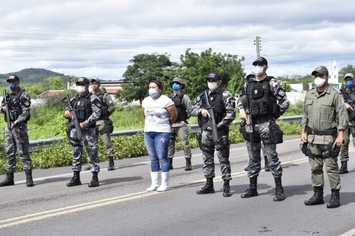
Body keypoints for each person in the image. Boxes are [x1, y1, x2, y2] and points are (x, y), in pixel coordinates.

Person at [238, 57, 289, 201]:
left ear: (266, 67)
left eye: (260, 64)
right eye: (255, 64)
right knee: (253, 158)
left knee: (272, 157)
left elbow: (285, 102)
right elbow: (239, 99)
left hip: (267, 123)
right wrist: (241, 110)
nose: (257, 67)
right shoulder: (247, 83)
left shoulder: (272, 83)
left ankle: (279, 189)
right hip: (250, 123)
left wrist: (274, 115)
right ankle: (252, 188)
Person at [301, 66, 347, 208]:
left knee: (331, 167)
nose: (317, 78)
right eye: (315, 75)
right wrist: (303, 131)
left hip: (329, 138)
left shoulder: (334, 95)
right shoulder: (310, 94)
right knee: (315, 167)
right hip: (313, 137)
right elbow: (305, 114)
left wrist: (340, 135)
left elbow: (342, 115)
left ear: (326, 77)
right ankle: (318, 195)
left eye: (320, 75)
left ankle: (335, 195)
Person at [191, 72, 236, 197]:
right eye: (209, 80)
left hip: (220, 132)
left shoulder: (225, 95)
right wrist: (201, 111)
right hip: (205, 131)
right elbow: (191, 109)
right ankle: (209, 184)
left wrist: (219, 125)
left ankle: (226, 184)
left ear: (219, 81)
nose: (211, 82)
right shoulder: (202, 95)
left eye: (213, 80)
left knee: (223, 158)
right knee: (207, 158)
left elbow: (231, 114)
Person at [64, 77, 102, 187]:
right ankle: (76, 177)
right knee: (76, 152)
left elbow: (97, 113)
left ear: (87, 85)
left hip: (88, 130)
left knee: (92, 153)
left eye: (82, 84)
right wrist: (66, 113)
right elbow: (67, 111)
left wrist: (85, 123)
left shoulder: (92, 98)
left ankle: (95, 177)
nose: (80, 87)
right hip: (75, 129)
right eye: (78, 84)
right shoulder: (73, 99)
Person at [142, 78, 176, 192]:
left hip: (162, 131)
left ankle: (164, 183)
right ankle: (154, 184)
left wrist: (167, 124)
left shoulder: (166, 100)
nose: (151, 89)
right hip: (148, 131)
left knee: (162, 156)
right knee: (153, 157)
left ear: (160, 89)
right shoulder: (145, 100)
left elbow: (173, 115)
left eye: (154, 87)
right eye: (150, 87)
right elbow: (144, 115)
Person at [0, 75, 33, 187]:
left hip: (19, 127)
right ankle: (9, 178)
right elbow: (2, 108)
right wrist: (3, 109)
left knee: (23, 152)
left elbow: (26, 112)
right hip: (9, 126)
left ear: (18, 82)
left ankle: (29, 177)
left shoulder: (24, 95)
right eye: (10, 82)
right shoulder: (7, 96)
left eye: (13, 82)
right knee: (9, 152)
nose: (12, 84)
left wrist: (16, 122)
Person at [89, 79, 116, 171]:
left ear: (98, 85)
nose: (93, 85)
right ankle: (93, 163)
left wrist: (106, 114)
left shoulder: (105, 95)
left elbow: (112, 107)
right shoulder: (90, 96)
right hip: (92, 122)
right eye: (92, 84)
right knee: (92, 143)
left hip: (102, 122)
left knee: (107, 143)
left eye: (95, 84)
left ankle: (111, 162)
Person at [167, 77, 193, 171]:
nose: (175, 85)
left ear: (181, 85)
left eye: (177, 83)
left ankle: (188, 162)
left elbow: (190, 109)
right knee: (170, 144)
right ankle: (169, 163)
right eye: (174, 83)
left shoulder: (184, 97)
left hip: (181, 124)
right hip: (170, 124)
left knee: (185, 143)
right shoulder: (169, 97)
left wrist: (184, 118)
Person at [339, 73, 355, 174]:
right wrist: (344, 104)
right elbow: (337, 103)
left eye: (350, 79)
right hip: (345, 120)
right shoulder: (342, 90)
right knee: (344, 143)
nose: (348, 81)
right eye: (347, 79)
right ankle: (344, 166)